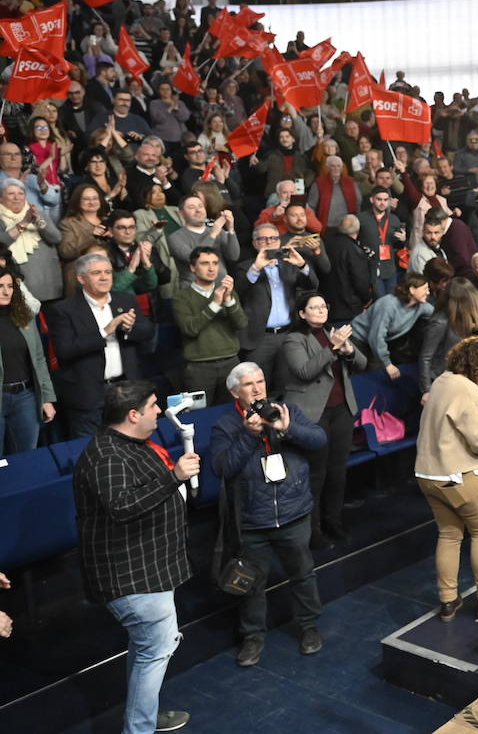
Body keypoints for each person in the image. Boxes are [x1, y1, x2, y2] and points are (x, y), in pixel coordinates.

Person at [74, 381, 197, 734]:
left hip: (148, 568)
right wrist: (174, 477)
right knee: (156, 650)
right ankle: (139, 727)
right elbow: (122, 506)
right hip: (131, 577)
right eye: (154, 405)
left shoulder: (129, 445)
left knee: (147, 649)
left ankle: (142, 715)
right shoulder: (107, 456)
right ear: (133, 414)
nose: (159, 411)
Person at [213, 362, 327, 667]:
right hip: (253, 520)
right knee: (252, 584)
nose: (257, 388)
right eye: (249, 385)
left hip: (293, 513)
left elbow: (319, 440)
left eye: (260, 381)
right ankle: (252, 637)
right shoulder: (226, 425)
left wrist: (287, 429)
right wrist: (249, 436)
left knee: (303, 575)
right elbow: (222, 469)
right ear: (234, 392)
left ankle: (309, 627)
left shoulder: (286, 411)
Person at [415, 337, 478, 621]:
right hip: (458, 476)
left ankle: (447, 601)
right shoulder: (466, 389)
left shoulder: (442, 381)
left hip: (427, 475)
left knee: (449, 534)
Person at [280, 294, 367, 548]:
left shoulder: (334, 333)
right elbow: (305, 371)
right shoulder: (293, 339)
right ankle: (313, 530)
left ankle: (334, 522)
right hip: (313, 414)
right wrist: (332, 348)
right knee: (316, 474)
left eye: (323, 306)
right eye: (314, 307)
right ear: (302, 313)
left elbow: (362, 363)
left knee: (338, 472)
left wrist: (348, 349)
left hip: (341, 409)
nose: (320, 310)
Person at [48, 254, 155, 438]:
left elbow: (147, 330)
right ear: (81, 278)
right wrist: (106, 331)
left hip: (126, 389)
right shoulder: (64, 309)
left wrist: (129, 329)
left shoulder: (125, 300)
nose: (104, 277)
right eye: (97, 273)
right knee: (91, 451)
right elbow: (65, 350)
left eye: (108, 272)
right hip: (88, 394)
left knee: (132, 446)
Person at [237, 225, 318, 384]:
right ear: (254, 243)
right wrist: (256, 268)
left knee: (288, 382)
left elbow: (312, 285)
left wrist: (301, 265)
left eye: (273, 238)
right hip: (260, 338)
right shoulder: (246, 267)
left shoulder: (289, 264)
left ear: (279, 242)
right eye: (262, 238)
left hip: (289, 333)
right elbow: (238, 292)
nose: (268, 242)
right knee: (259, 385)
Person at [172, 247, 247, 407]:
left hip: (231, 361)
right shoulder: (181, 297)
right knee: (198, 415)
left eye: (215, 263)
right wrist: (215, 304)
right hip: (199, 367)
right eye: (205, 263)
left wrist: (228, 300)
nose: (212, 268)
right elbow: (190, 329)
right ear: (193, 267)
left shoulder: (229, 292)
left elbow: (241, 323)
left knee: (233, 411)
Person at [0, 270, 57, 453]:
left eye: (10, 286)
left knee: (26, 458)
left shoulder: (24, 317)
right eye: (0, 286)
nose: (6, 292)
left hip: (25, 397)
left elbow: (39, 359)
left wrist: (46, 398)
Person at [350, 272, 433, 378]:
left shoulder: (421, 306)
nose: (428, 292)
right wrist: (388, 364)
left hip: (379, 342)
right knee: (370, 375)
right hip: (359, 340)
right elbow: (376, 337)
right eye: (425, 289)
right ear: (412, 290)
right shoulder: (388, 305)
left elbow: (438, 315)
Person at [1, 179, 63, 302]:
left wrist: (36, 220)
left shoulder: (37, 213)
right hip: (19, 287)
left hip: (49, 282)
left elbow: (56, 238)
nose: (16, 197)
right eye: (11, 194)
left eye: (20, 193)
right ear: (1, 198)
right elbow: (1, 243)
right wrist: (24, 222)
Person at [167, 193, 238, 287]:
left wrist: (231, 229)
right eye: (191, 207)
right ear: (181, 213)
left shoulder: (217, 231)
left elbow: (233, 256)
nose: (198, 210)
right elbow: (193, 258)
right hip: (193, 290)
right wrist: (213, 234)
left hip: (221, 285)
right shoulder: (175, 237)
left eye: (200, 206)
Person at [358, 186, 407, 299]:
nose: (382, 203)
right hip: (371, 267)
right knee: (379, 301)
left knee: (392, 300)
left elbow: (398, 246)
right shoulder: (361, 218)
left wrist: (403, 240)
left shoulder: (394, 219)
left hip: (389, 267)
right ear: (372, 200)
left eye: (385, 200)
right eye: (379, 199)